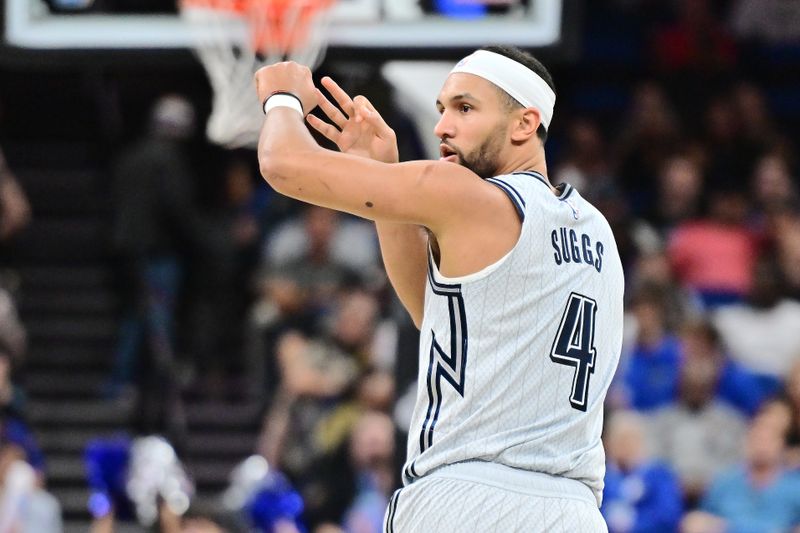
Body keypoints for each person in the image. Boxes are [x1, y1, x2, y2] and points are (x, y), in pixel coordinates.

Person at [254, 45, 624, 531]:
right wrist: (382, 171)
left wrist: (282, 98)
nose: (442, 127)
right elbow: (443, 327)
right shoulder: (597, 231)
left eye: (465, 108)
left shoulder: (468, 195)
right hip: (573, 510)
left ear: (524, 123)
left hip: (468, 496)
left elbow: (282, 163)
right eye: (442, 109)